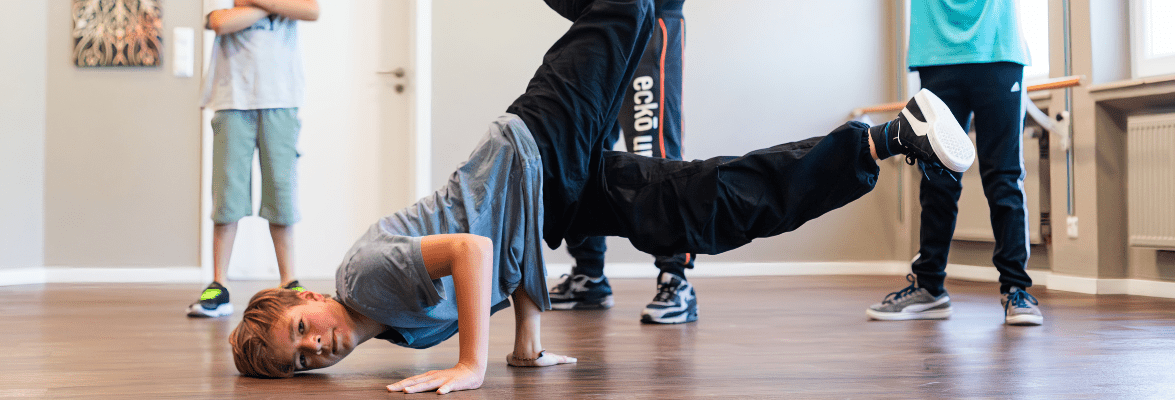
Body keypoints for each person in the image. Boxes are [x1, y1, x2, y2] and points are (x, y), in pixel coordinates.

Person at [229, 0, 976, 394]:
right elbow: (504, 260)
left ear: (300, 295)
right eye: (299, 361)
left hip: (531, 148)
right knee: (699, 213)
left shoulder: (362, 279)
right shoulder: (390, 333)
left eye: (297, 329)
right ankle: (886, 141)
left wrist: (473, 366)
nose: (313, 346)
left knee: (624, 10)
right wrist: (523, 350)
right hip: (553, 198)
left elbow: (474, 248)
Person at [865, 0, 1043, 326]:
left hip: (997, 50)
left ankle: (1017, 289)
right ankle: (930, 287)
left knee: (1003, 175)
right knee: (936, 177)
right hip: (937, 55)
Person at [549, 0, 698, 325]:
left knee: (652, 152)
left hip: (652, 17)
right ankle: (589, 276)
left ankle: (675, 279)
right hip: (601, 23)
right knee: (585, 150)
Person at [187, 0, 320, 318]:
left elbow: (312, 11)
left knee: (281, 190)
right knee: (227, 193)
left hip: (281, 99)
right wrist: (276, 8)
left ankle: (289, 281)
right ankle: (219, 285)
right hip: (232, 101)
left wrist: (254, 5)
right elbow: (219, 21)